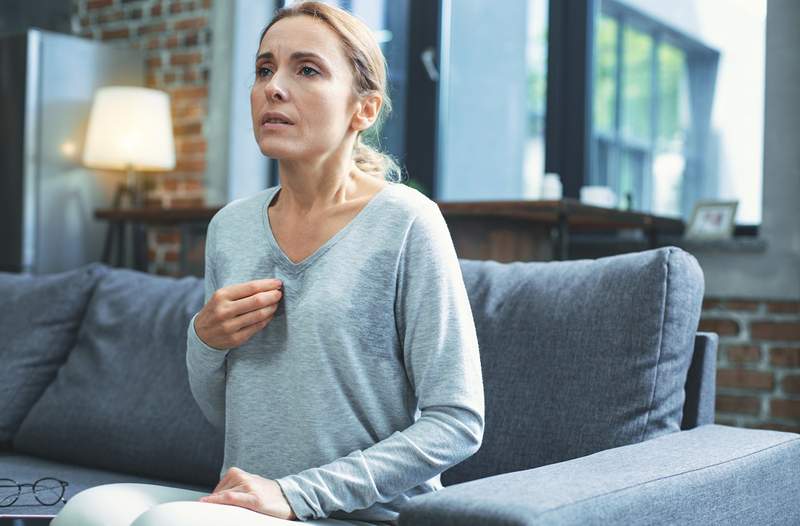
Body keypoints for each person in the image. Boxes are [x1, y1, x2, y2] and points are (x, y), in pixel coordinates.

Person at [51, 2, 484, 525]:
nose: (273, 87)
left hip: (361, 514)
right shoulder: (230, 227)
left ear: (363, 109)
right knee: (87, 512)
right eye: (263, 69)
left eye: (306, 69)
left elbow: (457, 422)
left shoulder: (408, 222)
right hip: (248, 505)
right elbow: (226, 413)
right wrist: (205, 340)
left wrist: (298, 494)